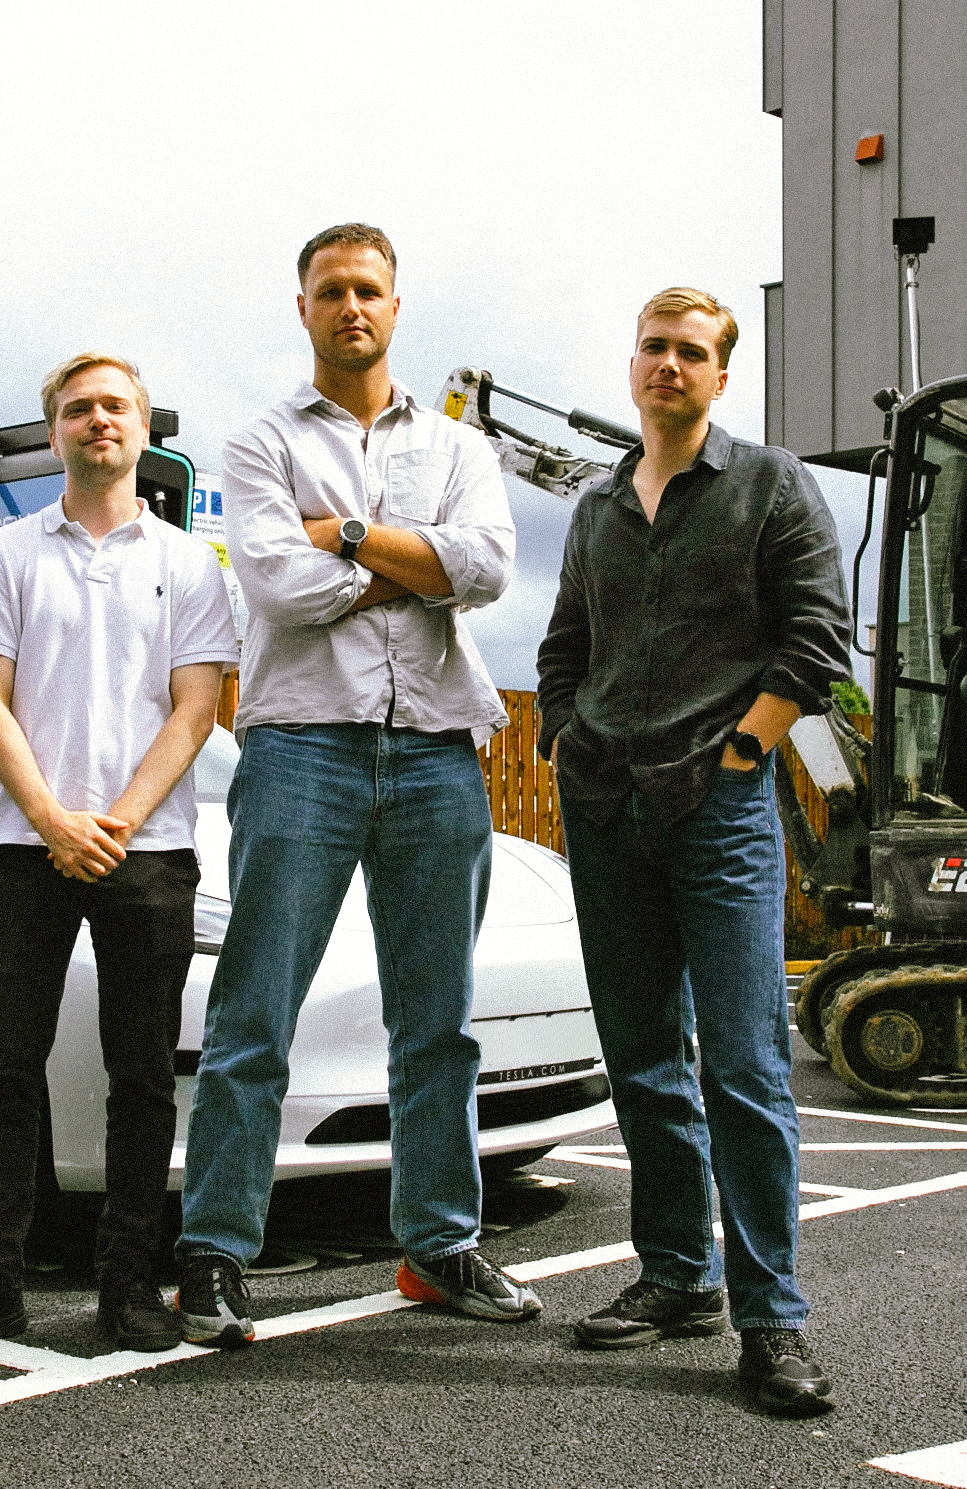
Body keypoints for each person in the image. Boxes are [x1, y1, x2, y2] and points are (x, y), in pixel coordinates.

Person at [171, 223, 530, 1349]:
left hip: (433, 748)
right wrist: (410, 565)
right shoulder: (260, 443)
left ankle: (439, 1248)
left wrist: (355, 537)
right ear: (303, 308)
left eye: (368, 289)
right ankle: (218, 1258)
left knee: (439, 1026)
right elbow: (277, 585)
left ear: (395, 303)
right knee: (254, 1015)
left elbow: (488, 570)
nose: (351, 308)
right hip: (302, 749)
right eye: (331, 291)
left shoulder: (460, 447)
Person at [535, 287, 850, 1417]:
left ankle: (772, 1320)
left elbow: (818, 637)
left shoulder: (770, 486)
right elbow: (564, 644)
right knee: (641, 1057)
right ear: (633, 368)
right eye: (652, 349)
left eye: (689, 352)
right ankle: (677, 1275)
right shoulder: (594, 509)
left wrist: (739, 755)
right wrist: (565, 736)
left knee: (746, 1065)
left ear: (720, 375)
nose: (666, 365)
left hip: (716, 810)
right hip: (607, 804)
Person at [0, 352, 236, 1363]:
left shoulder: (185, 564)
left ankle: (128, 1287)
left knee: (142, 1078)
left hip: (148, 852)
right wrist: (51, 819)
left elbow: (196, 707)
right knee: (0, 1072)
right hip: (18, 845)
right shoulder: (6, 555)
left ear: (144, 432)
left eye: (116, 407)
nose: (99, 421)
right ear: (55, 434)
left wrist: (116, 822)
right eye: (80, 409)